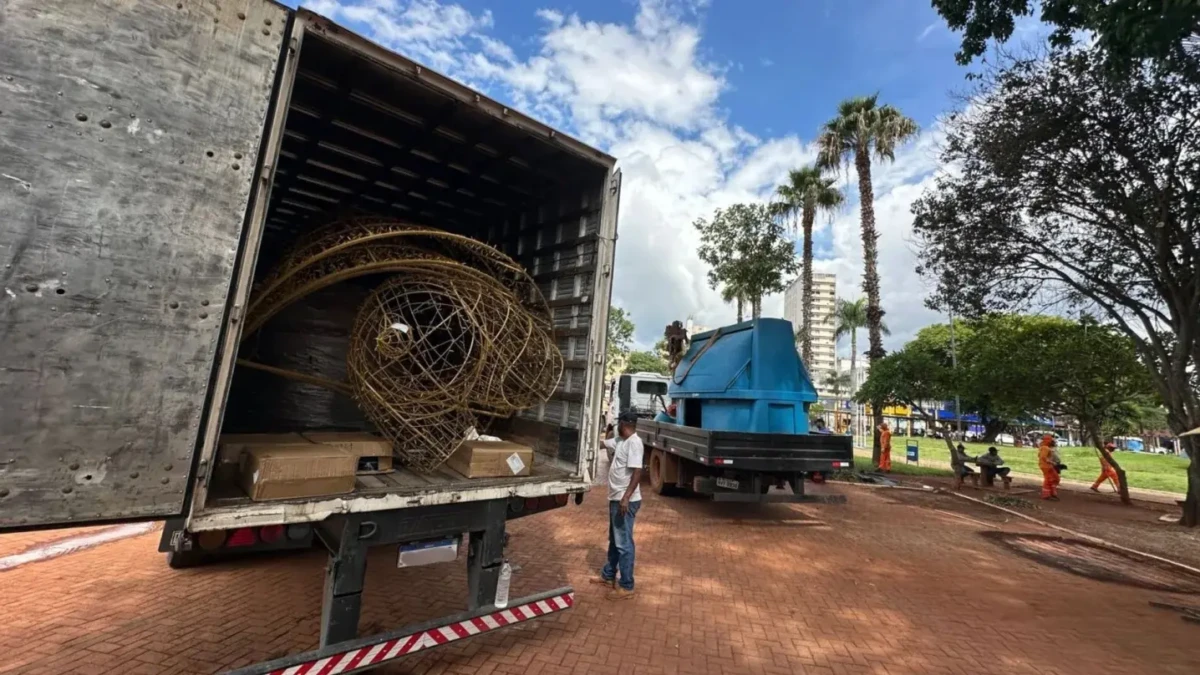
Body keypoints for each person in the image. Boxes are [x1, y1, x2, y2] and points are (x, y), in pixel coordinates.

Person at [593, 411, 644, 599]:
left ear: (624, 423)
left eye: (618, 423)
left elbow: (638, 472)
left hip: (625, 501)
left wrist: (626, 497)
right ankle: (608, 575)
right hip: (616, 498)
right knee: (615, 539)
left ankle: (627, 585)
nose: (616, 427)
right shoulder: (620, 440)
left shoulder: (634, 443)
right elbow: (601, 443)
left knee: (624, 543)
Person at [1038, 434, 1062, 501]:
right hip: (1046, 466)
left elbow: (1040, 456)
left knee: (1055, 478)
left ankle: (1052, 493)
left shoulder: (1044, 447)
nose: (1052, 441)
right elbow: (1043, 457)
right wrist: (1051, 462)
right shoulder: (1045, 448)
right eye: (1051, 440)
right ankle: (1046, 495)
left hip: (1047, 466)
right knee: (1049, 480)